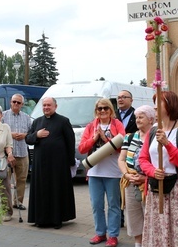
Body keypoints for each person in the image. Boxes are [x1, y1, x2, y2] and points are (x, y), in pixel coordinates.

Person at [138, 91, 178, 247]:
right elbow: (143, 159)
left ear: (170, 105)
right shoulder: (153, 130)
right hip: (156, 189)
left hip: (177, 191)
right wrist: (152, 171)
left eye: (159, 102)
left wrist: (167, 144)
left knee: (176, 232)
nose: (154, 106)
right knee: (157, 230)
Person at [79, 98, 126, 247]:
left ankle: (113, 235)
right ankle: (100, 233)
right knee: (97, 205)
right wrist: (94, 139)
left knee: (113, 205)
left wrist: (106, 139)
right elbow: (82, 149)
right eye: (99, 108)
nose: (103, 111)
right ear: (96, 111)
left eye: (106, 108)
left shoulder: (117, 124)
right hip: (95, 172)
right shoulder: (90, 126)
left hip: (113, 172)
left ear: (111, 110)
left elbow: (123, 146)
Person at [25, 97, 76, 229]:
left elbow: (70, 142)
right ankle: (40, 219)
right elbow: (28, 139)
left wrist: (71, 162)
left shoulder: (63, 121)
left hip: (57, 165)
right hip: (40, 165)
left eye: (49, 105)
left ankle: (56, 219)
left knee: (55, 191)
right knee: (41, 191)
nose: (46, 107)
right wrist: (37, 134)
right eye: (44, 105)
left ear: (55, 106)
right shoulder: (37, 122)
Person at [117, 105, 155, 247]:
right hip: (130, 182)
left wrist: (146, 178)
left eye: (141, 117)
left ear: (151, 119)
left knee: (150, 216)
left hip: (149, 183)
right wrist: (126, 174)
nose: (137, 120)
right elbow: (121, 159)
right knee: (133, 217)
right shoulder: (130, 136)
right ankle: (138, 244)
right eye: (136, 117)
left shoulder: (156, 137)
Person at [2, 94, 31, 211]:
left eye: (19, 103)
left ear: (22, 105)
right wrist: (11, 135)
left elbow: (31, 133)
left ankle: (18, 202)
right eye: (14, 102)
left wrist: (25, 135)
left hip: (23, 152)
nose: (16, 104)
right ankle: (5, 204)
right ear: (10, 102)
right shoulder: (3, 115)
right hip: (7, 154)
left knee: (22, 179)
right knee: (5, 179)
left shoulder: (26, 117)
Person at [115, 90, 136, 228]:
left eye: (124, 97)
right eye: (118, 97)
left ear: (131, 100)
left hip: (132, 155)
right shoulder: (113, 115)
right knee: (116, 189)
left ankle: (133, 217)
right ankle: (119, 219)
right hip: (115, 155)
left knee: (129, 187)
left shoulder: (137, 114)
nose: (120, 99)